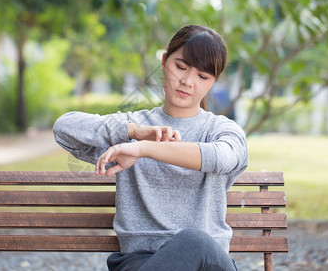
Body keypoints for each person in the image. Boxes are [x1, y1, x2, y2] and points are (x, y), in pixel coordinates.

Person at [53, 25, 248, 271]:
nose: (188, 81)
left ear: (213, 81)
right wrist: (132, 131)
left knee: (194, 240)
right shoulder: (133, 130)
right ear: (165, 61)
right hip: (140, 261)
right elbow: (64, 128)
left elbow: (221, 157)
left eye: (203, 76)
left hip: (208, 264)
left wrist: (144, 149)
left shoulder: (222, 130)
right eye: (181, 67)